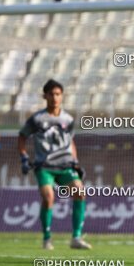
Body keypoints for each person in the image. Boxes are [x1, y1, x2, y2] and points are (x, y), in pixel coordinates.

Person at [18, 79, 91, 250]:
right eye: (51, 94)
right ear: (45, 96)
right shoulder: (37, 119)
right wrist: (23, 157)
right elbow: (22, 137)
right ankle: (46, 238)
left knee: (80, 192)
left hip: (65, 165)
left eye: (57, 94)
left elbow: (71, 141)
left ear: (62, 96)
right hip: (44, 166)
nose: (54, 97)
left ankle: (76, 238)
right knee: (49, 197)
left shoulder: (68, 119)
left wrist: (75, 161)